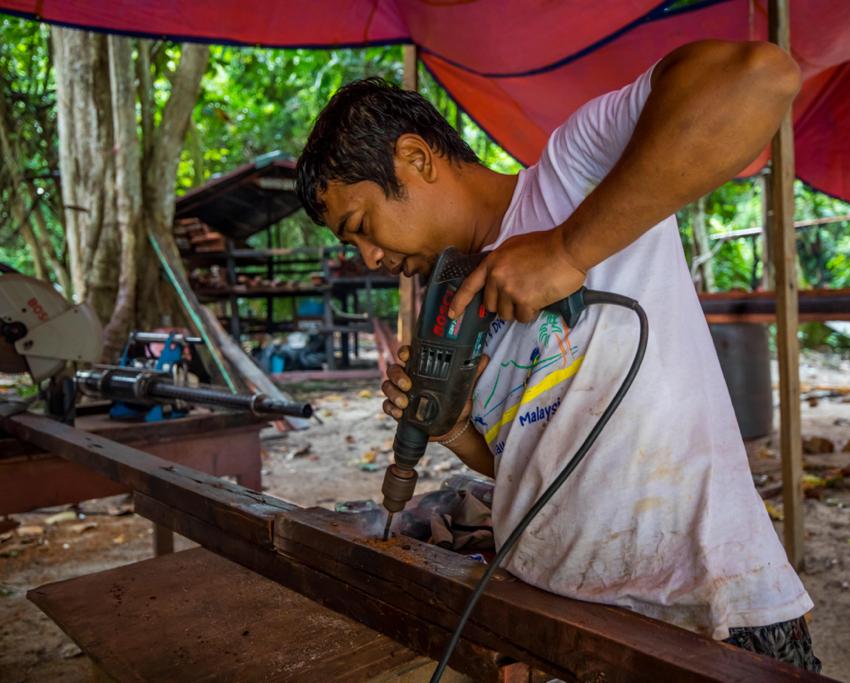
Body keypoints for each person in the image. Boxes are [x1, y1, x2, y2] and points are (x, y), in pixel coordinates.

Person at [296, 40, 820, 672]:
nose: (369, 259)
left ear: (414, 159)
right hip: (562, 617)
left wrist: (568, 249)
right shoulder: (456, 310)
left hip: (700, 608)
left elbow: (758, 77)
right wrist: (457, 430)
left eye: (359, 225)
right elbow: (535, 469)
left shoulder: (572, 175)